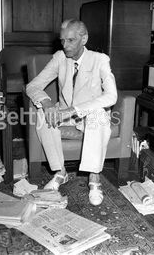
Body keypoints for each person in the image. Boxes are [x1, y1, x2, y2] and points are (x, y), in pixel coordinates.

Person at [26, 19, 117, 206]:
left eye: (70, 40)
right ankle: (60, 172)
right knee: (43, 114)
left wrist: (74, 110)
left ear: (84, 39)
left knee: (98, 114)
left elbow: (111, 96)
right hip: (64, 116)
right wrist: (47, 102)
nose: (65, 45)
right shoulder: (60, 57)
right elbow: (33, 85)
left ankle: (94, 178)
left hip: (89, 117)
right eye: (62, 40)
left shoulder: (100, 60)